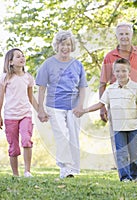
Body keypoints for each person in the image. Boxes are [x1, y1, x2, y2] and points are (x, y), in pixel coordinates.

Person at [74, 58, 137, 182]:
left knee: (135, 154)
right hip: (118, 128)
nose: (120, 74)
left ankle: (136, 176)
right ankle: (125, 177)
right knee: (121, 154)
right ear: (114, 72)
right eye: (117, 71)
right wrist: (84, 110)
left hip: (133, 126)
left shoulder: (136, 88)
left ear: (129, 71)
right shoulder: (110, 89)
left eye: (124, 71)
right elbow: (100, 104)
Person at [99, 22, 137, 182]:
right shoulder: (109, 56)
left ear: (131, 35)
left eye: (127, 34)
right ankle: (125, 177)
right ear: (117, 36)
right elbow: (103, 83)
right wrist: (102, 108)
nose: (124, 37)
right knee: (120, 145)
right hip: (117, 107)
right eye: (121, 34)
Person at [36, 29, 87, 179]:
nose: (65, 47)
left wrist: (80, 106)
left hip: (73, 106)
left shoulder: (78, 65)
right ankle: (65, 168)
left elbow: (82, 88)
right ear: (57, 45)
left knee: (73, 137)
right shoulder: (48, 64)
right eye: (62, 44)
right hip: (54, 106)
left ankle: (73, 168)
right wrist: (40, 109)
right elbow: (41, 88)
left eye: (68, 44)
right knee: (62, 136)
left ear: (72, 46)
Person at [0, 48, 38, 177]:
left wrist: (40, 112)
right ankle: (16, 174)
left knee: (26, 140)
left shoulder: (28, 77)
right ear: (10, 62)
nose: (22, 58)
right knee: (14, 146)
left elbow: (31, 98)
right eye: (18, 56)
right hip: (10, 116)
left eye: (23, 56)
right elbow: (0, 98)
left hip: (26, 114)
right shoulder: (5, 78)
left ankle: (27, 171)